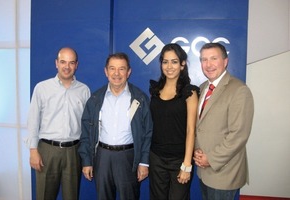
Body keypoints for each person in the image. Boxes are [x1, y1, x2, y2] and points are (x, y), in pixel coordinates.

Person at [78, 52, 153, 200]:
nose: (116, 73)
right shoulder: (95, 99)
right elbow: (86, 132)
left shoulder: (140, 98)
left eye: (122, 69)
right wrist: (87, 161)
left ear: (129, 72)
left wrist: (144, 162)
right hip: (102, 157)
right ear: (106, 71)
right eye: (112, 68)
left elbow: (148, 132)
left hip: (128, 157)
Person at [25, 47, 91, 200]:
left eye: (71, 63)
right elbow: (33, 120)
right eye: (63, 62)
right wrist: (33, 150)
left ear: (76, 65)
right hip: (47, 151)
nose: (67, 67)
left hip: (74, 152)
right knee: (44, 195)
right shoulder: (42, 88)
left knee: (71, 196)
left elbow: (87, 126)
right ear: (56, 63)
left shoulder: (84, 91)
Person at [193, 42, 254, 200]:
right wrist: (196, 150)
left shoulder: (239, 90)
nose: (208, 64)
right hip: (203, 170)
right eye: (204, 59)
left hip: (224, 172)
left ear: (225, 61)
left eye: (214, 58)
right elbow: (200, 127)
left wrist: (211, 159)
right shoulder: (202, 88)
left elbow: (239, 135)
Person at [149, 43, 199, 200]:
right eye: (165, 62)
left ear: (182, 64)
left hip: (179, 160)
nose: (169, 66)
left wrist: (187, 165)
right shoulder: (155, 91)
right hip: (156, 158)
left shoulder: (189, 92)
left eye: (174, 61)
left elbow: (191, 129)